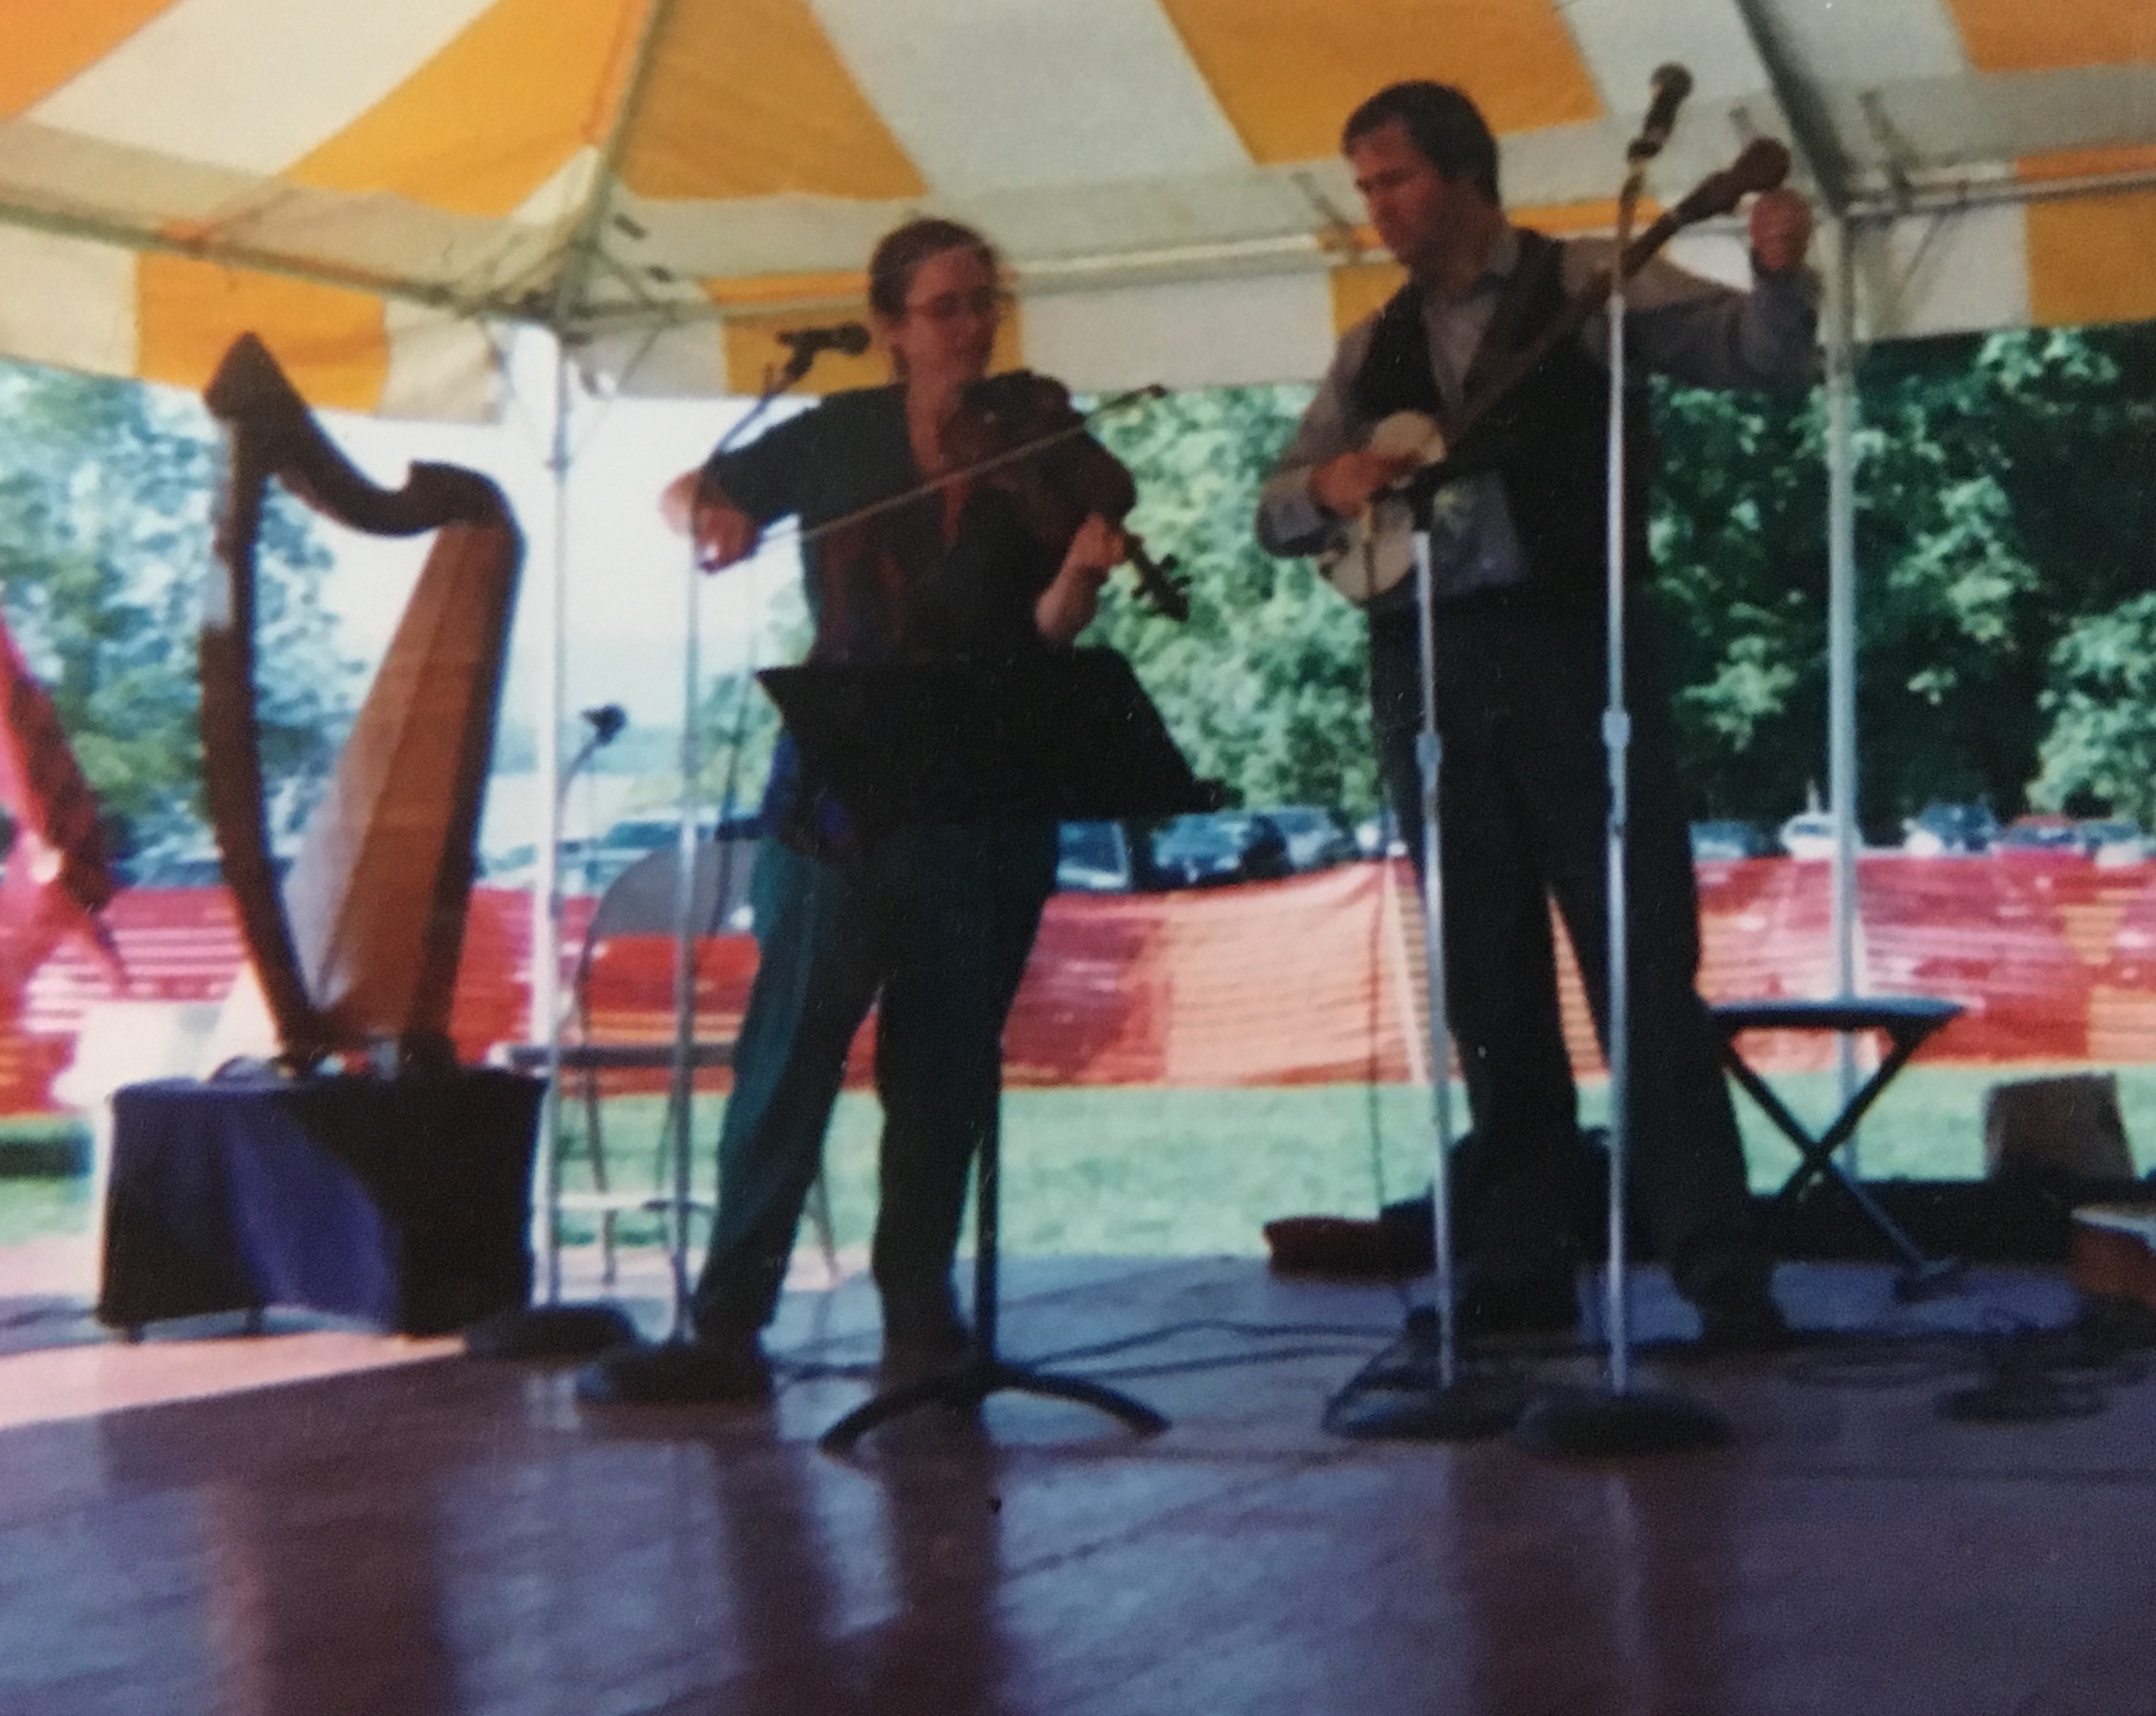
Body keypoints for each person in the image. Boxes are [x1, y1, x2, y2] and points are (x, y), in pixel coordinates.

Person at [1256, 81, 1816, 1349]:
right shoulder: (1373, 345)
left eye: (1395, 181)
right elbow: (1277, 506)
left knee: (1640, 959)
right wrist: (1331, 482)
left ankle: (1718, 1267)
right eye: (1366, 188)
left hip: (1576, 648)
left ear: (1464, 176)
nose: (1378, 210)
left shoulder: (1586, 283)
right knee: (1485, 974)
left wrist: (1780, 281)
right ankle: (1518, 1263)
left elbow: (1755, 357)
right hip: (1428, 664)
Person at [580, 219, 1129, 1406]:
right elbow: (687, 491)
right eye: (945, 307)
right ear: (890, 326)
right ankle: (729, 1321)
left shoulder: (1042, 438)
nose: (972, 327)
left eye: (983, 302)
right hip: (836, 788)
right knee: (790, 1052)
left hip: (983, 787)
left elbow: (1043, 634)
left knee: (946, 1064)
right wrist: (714, 518)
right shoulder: (836, 435)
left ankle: (919, 1313)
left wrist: (1079, 578)